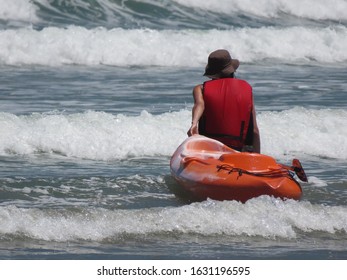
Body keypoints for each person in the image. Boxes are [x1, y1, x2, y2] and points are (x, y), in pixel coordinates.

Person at [187, 49, 261, 153]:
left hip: (210, 148)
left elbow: (199, 105)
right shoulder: (246, 89)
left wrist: (194, 123)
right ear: (232, 70)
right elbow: (254, 130)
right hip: (239, 150)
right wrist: (257, 158)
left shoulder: (201, 89)